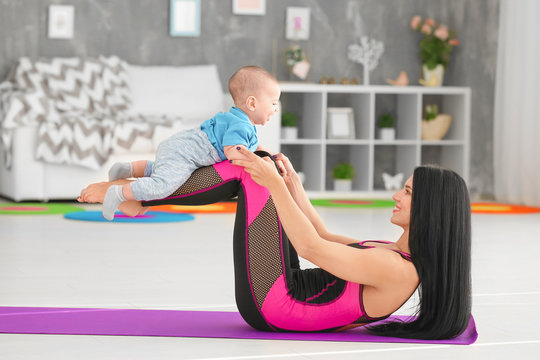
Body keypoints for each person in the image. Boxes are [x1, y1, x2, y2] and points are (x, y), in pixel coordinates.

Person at [77, 148, 471, 340]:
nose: (396, 197)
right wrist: (292, 185)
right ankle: (138, 194)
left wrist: (271, 182)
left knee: (250, 170)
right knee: (257, 163)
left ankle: (134, 193)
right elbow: (324, 236)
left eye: (406, 192)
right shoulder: (396, 255)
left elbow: (311, 248)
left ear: (430, 210)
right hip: (283, 292)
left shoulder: (398, 270)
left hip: (276, 303)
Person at [87, 65, 281, 220]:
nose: (276, 109)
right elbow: (231, 151)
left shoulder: (236, 120)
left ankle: (128, 169)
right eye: (273, 103)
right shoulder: (242, 126)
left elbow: (255, 147)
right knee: (162, 185)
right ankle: (119, 193)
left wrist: (270, 156)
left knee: (164, 169)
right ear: (252, 103)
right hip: (185, 153)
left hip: (180, 146)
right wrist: (254, 162)